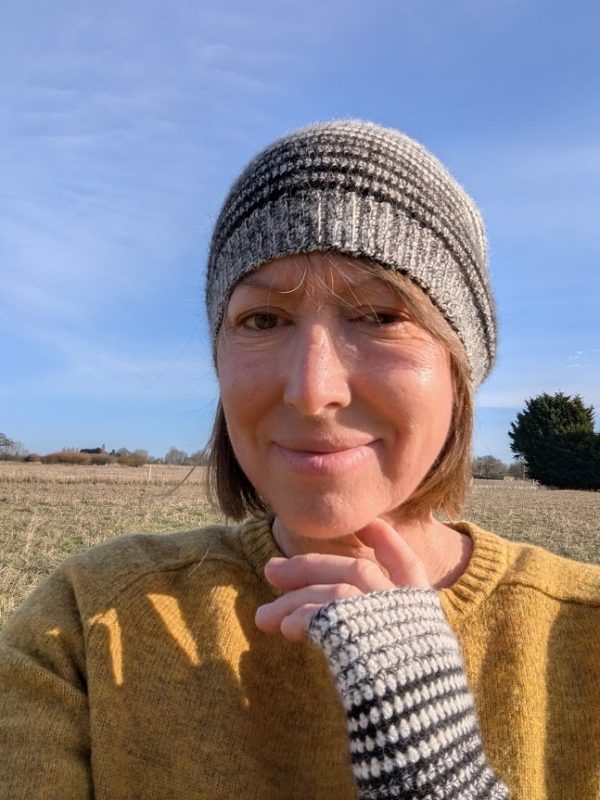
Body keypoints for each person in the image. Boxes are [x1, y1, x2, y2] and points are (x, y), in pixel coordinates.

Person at [0, 120, 599, 800]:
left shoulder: (583, 635)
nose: (313, 391)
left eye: (379, 316)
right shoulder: (87, 623)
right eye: (262, 321)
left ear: (461, 367)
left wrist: (440, 780)